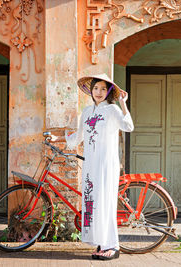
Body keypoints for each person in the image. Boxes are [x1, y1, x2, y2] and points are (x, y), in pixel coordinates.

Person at [54, 73, 134, 260]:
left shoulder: (113, 110)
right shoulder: (87, 112)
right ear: (90, 90)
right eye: (96, 88)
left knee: (105, 203)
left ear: (109, 92)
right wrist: (57, 138)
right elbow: (77, 138)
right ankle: (101, 242)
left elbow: (128, 126)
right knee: (94, 202)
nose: (99, 92)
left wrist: (123, 103)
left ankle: (113, 246)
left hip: (107, 163)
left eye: (103, 89)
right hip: (91, 164)